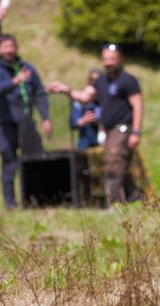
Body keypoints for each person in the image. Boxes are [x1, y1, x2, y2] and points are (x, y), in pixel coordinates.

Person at [48, 44, 144, 205]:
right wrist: (67, 90)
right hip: (109, 131)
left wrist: (136, 131)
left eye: (112, 59)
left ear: (120, 59)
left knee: (112, 164)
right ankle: (136, 197)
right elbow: (85, 97)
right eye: (105, 59)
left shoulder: (128, 80)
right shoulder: (101, 81)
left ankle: (114, 205)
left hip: (122, 129)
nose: (108, 62)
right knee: (120, 164)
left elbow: (138, 105)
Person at [0, 34, 52, 209]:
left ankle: (37, 199)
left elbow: (40, 93)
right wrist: (15, 81)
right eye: (5, 47)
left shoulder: (27, 68)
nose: (9, 50)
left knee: (35, 159)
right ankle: (11, 203)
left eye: (11, 46)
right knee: (9, 162)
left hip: (27, 123)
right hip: (6, 125)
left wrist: (46, 117)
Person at [69, 68, 103, 149]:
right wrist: (84, 120)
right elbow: (73, 123)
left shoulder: (106, 101)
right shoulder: (79, 102)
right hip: (85, 144)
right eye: (93, 82)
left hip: (104, 144)